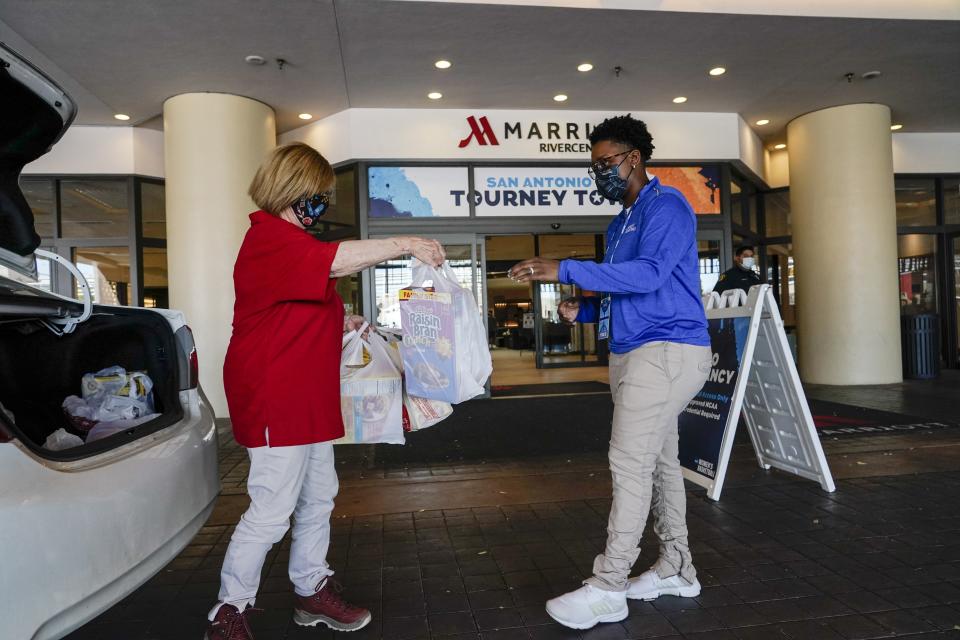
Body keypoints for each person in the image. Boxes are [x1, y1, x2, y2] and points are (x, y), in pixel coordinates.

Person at [205, 142, 445, 640]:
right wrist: (406, 243)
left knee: (318, 498)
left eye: (322, 200)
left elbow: (298, 309)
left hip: (308, 395)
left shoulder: (291, 244)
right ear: (285, 190)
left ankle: (311, 589)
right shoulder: (269, 237)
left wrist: (344, 322)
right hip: (276, 395)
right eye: (310, 198)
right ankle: (230, 609)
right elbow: (334, 261)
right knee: (272, 508)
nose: (317, 209)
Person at [510, 115, 712, 631]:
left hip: (666, 351)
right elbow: (633, 292)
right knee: (661, 463)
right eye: (593, 164)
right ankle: (677, 567)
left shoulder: (666, 206)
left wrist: (566, 268)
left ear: (634, 159)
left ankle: (610, 585)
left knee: (628, 463)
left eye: (606, 162)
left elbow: (651, 276)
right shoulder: (620, 222)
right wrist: (591, 311)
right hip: (633, 351)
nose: (599, 171)